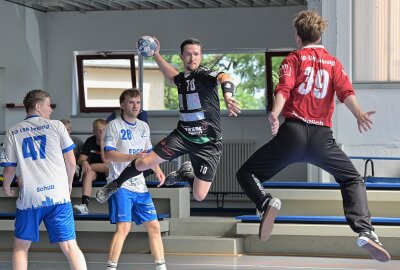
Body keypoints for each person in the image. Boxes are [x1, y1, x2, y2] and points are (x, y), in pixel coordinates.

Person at [236, 10, 391, 262]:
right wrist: (359, 113)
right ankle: (366, 230)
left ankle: (265, 203)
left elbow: (284, 89)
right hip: (321, 138)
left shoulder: (293, 59)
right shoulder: (333, 62)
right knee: (352, 180)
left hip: (293, 133)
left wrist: (275, 114)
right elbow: (345, 92)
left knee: (246, 173)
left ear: (298, 37)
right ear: (320, 36)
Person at [96, 37, 241, 203]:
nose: (192, 58)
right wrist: (156, 54)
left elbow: (225, 76)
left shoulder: (204, 75)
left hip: (208, 142)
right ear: (181, 56)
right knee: (145, 162)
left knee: (199, 195)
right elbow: (171, 75)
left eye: (196, 54)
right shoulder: (181, 80)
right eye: (188, 54)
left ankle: (185, 174)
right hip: (182, 135)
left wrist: (228, 96)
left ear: (200, 57)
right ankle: (115, 184)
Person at [0, 89, 87, 269]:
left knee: (20, 248)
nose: (51, 110)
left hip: (30, 197)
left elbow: (9, 168)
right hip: (58, 195)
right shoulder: (56, 126)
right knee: (70, 247)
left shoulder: (13, 131)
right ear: (38, 106)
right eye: (48, 105)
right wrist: (68, 185)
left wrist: (6, 187)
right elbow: (71, 162)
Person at [103, 88, 167, 270]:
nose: (135, 105)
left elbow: (148, 154)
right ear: (122, 105)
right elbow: (108, 155)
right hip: (120, 183)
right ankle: (111, 267)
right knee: (124, 227)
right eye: (131, 102)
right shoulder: (114, 125)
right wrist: (131, 158)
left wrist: (157, 169)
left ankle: (161, 267)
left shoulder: (143, 127)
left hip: (140, 185)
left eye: (138, 102)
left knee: (154, 226)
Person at [73, 119, 109, 215]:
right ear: (94, 131)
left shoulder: (111, 141)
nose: (102, 132)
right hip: (95, 173)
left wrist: (102, 143)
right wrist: (84, 162)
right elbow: (81, 159)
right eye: (99, 130)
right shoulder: (90, 141)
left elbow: (108, 162)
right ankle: (84, 205)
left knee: (108, 166)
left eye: (104, 130)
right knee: (88, 172)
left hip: (108, 173)